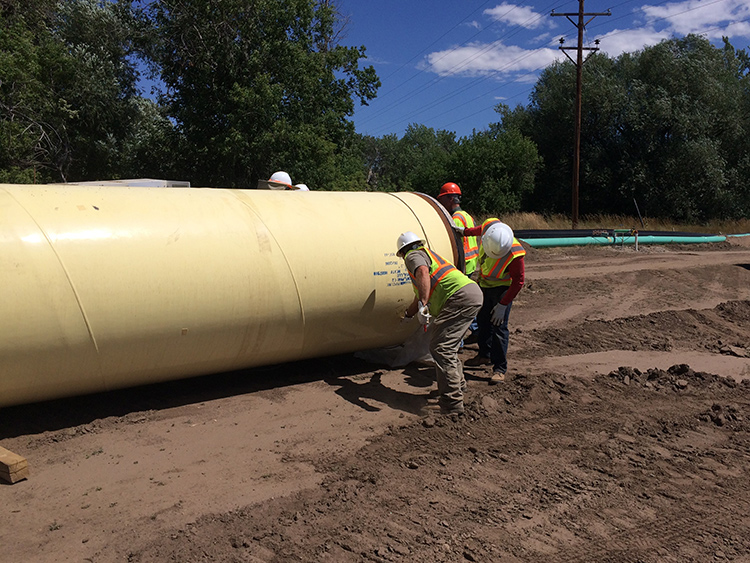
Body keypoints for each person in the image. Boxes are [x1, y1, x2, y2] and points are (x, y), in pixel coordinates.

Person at [396, 231, 483, 414]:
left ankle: (452, 403)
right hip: (469, 294)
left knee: (441, 348)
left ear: (402, 251)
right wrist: (410, 314)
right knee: (447, 346)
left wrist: (423, 305)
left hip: (458, 298)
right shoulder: (427, 254)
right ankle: (458, 385)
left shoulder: (413, 255)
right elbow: (420, 291)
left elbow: (422, 272)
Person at [455, 219, 526, 384]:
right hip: (484, 285)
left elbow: (518, 281)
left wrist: (503, 305)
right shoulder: (490, 227)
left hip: (503, 289)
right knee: (482, 321)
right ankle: (484, 355)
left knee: (499, 328)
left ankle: (499, 368)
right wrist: (464, 231)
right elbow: (478, 229)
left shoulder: (515, 253)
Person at [436, 182, 478, 276]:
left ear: (450, 199)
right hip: (472, 262)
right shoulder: (467, 216)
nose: (441, 204)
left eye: (442, 200)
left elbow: (455, 244)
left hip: (464, 264)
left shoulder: (455, 219)